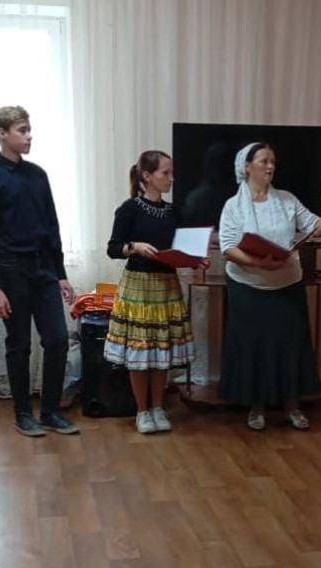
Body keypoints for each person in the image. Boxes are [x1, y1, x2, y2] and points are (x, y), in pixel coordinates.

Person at [218, 142, 321, 430]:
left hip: (287, 285)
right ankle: (256, 407)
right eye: (264, 161)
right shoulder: (233, 206)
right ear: (247, 167)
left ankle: (293, 406)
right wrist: (260, 263)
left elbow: (317, 227)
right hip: (247, 288)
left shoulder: (287, 199)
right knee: (254, 348)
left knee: (291, 346)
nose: (270, 166)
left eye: (273, 162)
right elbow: (228, 248)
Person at [0, 106, 78, 437]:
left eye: (29, 129)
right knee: (19, 344)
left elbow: (51, 226)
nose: (29, 136)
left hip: (44, 268)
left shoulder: (38, 175)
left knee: (57, 339)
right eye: (22, 130)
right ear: (2, 134)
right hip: (9, 270)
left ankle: (50, 412)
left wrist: (60, 273)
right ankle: (22, 414)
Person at [105, 150, 207, 434]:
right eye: (165, 173)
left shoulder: (174, 211)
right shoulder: (129, 209)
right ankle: (142, 410)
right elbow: (113, 248)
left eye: (172, 172)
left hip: (167, 286)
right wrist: (134, 246)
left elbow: (182, 247)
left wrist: (196, 259)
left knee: (161, 350)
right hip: (138, 287)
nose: (171, 178)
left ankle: (159, 407)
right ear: (147, 176)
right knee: (140, 352)